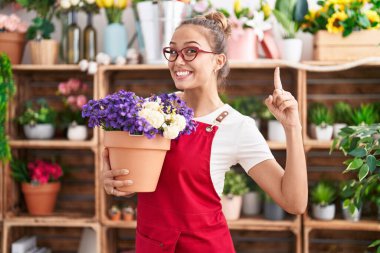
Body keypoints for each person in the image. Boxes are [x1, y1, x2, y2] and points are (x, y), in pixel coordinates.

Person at [102, 11, 307, 253]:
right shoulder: (155, 110)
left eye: (191, 51)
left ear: (218, 61)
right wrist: (118, 182)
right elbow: (145, 181)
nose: (178, 61)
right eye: (173, 51)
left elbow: (294, 202)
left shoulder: (236, 126)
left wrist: (292, 128)